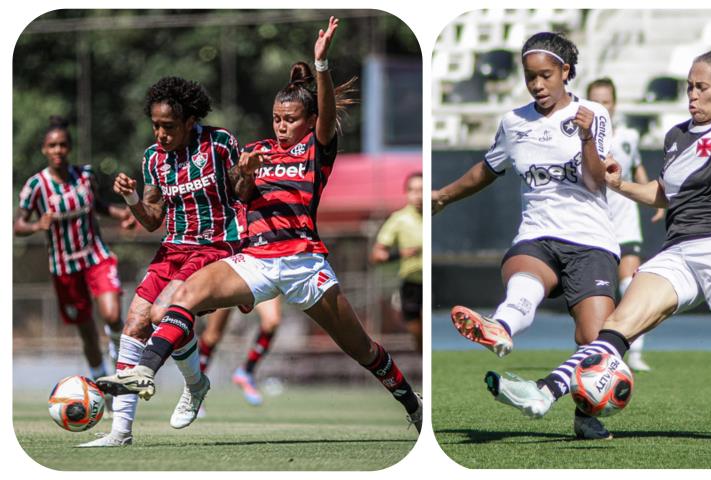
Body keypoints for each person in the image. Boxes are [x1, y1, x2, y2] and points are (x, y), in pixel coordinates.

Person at [488, 50, 711, 444]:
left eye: (701, 87)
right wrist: (618, 184)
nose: (692, 94)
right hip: (678, 249)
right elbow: (663, 193)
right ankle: (545, 391)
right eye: (689, 86)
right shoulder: (676, 135)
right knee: (616, 327)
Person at [97, 16, 423, 433]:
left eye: (291, 119)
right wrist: (246, 172)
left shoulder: (316, 148)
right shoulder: (255, 149)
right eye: (276, 118)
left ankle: (410, 401)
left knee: (363, 351)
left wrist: (321, 65)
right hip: (256, 260)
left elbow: (326, 116)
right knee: (186, 295)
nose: (282, 126)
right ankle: (144, 371)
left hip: (304, 263)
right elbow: (240, 194)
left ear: (310, 120)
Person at [432, 32, 618, 439]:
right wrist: (443, 196)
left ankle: (585, 416)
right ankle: (500, 327)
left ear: (565, 72)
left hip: (590, 240)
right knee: (524, 279)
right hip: (537, 234)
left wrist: (587, 137)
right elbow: (487, 168)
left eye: (545, 76)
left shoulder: (593, 113)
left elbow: (595, 181)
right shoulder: (514, 122)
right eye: (529, 77)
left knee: (595, 341)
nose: (536, 85)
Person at [79, 76, 247, 447]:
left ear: (190, 121)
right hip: (173, 248)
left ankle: (193, 384)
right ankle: (121, 432)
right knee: (136, 321)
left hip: (216, 245)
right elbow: (154, 219)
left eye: (168, 126)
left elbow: (244, 193)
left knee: (162, 313)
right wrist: (132, 200)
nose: (160, 133)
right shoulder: (153, 159)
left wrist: (248, 174)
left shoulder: (220, 144)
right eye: (155, 125)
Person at [14, 116, 135, 382]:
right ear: (44, 149)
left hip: (95, 256)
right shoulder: (36, 186)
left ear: (69, 147)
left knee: (113, 314)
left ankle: (119, 360)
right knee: (87, 333)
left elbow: (98, 205)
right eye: (52, 145)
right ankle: (101, 384)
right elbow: (17, 225)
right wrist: (36, 225)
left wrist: (122, 214)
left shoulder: (85, 175)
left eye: (62, 144)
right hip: (64, 268)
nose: (58, 150)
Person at [587, 78, 652, 372]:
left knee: (631, 284)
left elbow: (637, 166)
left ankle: (635, 351)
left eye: (606, 101)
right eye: (595, 101)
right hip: (594, 222)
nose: (601, 107)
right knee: (597, 291)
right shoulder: (578, 138)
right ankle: (593, 348)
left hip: (625, 221)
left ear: (614, 104)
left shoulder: (628, 136)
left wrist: (649, 195)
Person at [371, 171, 423, 352]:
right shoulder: (399, 219)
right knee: (417, 333)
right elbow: (377, 255)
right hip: (411, 283)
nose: (418, 195)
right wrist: (401, 254)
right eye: (413, 190)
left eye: (422, 190)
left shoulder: (434, 213)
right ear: (407, 193)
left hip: (433, 280)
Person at [198, 297, 283, 406]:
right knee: (213, 336)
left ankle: (246, 371)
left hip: (255, 285)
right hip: (228, 286)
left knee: (272, 321)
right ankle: (195, 388)